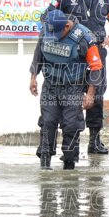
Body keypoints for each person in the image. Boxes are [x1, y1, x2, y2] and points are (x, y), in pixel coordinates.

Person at [43, 0, 109, 154]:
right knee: (68, 95)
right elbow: (46, 17)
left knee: (97, 95)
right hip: (72, 56)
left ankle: (95, 141)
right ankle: (68, 143)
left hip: (97, 53)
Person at [30, 10, 103, 170]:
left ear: (67, 25)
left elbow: (96, 67)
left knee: (71, 125)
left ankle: (69, 164)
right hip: (50, 86)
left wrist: (90, 94)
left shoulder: (84, 36)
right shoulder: (47, 30)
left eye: (57, 32)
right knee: (48, 123)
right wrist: (33, 76)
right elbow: (38, 54)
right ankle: (45, 161)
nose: (53, 35)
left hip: (73, 88)